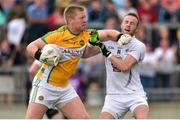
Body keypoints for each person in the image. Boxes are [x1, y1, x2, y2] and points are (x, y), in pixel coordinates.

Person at [25, 4, 131, 119]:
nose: (85, 20)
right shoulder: (57, 35)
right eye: (81, 18)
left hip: (64, 88)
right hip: (45, 86)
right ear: (71, 20)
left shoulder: (86, 35)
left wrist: (120, 36)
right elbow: (31, 46)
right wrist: (41, 56)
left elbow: (108, 33)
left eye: (85, 17)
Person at [89, 13, 149, 119]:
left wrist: (106, 52)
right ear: (121, 25)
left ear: (136, 29)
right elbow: (86, 54)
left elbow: (125, 67)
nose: (128, 25)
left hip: (134, 94)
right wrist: (91, 43)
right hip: (113, 96)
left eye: (132, 23)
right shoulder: (108, 41)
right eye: (126, 22)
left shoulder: (139, 46)